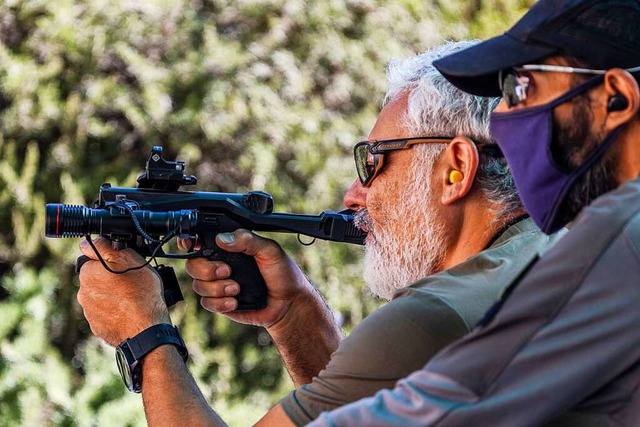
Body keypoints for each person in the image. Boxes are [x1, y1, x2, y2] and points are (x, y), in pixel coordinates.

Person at [75, 42, 556, 426]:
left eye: (373, 162)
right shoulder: (549, 257)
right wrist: (295, 316)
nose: (353, 194)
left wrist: (145, 334)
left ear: (455, 170)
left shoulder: (435, 318)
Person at [307, 0, 640, 425]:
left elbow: (448, 400)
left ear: (615, 99)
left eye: (520, 88)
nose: (501, 115)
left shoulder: (618, 238)